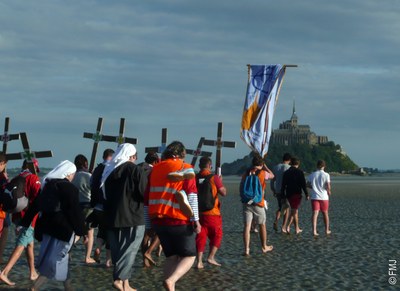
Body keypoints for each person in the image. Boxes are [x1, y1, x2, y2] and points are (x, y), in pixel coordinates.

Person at [145, 141, 201, 291]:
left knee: (171, 257)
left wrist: (149, 225)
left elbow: (147, 200)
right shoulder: (186, 168)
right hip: (179, 219)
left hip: (158, 220)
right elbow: (192, 196)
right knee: (189, 256)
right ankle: (172, 280)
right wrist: (195, 219)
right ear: (181, 154)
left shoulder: (155, 170)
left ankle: (170, 287)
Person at [31, 160, 87, 291]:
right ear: (68, 174)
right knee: (55, 260)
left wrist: (25, 223)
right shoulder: (69, 188)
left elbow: (36, 206)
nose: (73, 176)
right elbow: (74, 212)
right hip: (62, 231)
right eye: (73, 174)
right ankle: (34, 288)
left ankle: (68, 287)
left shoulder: (47, 185)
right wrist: (82, 232)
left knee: (62, 258)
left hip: (47, 229)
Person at [101, 143, 147, 291]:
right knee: (129, 250)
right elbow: (144, 193)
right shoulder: (135, 170)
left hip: (112, 217)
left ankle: (125, 284)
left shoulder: (109, 170)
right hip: (133, 216)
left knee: (118, 251)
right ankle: (119, 279)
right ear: (132, 156)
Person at [0, 159, 41, 286]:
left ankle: (33, 272)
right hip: (28, 218)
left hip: (17, 216)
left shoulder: (17, 177)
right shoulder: (33, 178)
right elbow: (38, 199)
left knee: (29, 243)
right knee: (21, 244)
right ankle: (5, 272)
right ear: (34, 167)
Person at [195, 156, 226, 269]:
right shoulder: (214, 177)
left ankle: (199, 262)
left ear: (199, 166)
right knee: (217, 234)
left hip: (198, 212)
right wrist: (220, 182)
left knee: (201, 236)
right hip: (212, 212)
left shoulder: (195, 177)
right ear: (210, 166)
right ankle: (211, 257)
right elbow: (223, 192)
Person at [240, 154, 274, 256]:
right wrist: (265, 166)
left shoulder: (246, 172)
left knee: (247, 226)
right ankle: (264, 246)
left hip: (247, 201)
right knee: (262, 225)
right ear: (261, 164)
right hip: (258, 202)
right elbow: (272, 175)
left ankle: (246, 249)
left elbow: (242, 184)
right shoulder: (263, 173)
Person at [88, 148, 114, 267]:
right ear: (112, 156)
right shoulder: (112, 168)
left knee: (101, 230)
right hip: (108, 206)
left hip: (97, 207)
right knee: (110, 232)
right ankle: (108, 260)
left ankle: (98, 247)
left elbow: (91, 183)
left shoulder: (97, 169)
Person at [139, 151, 162, 268]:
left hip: (138, 204)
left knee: (145, 234)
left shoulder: (138, 168)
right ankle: (149, 252)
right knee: (159, 231)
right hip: (152, 203)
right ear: (155, 161)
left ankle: (145, 260)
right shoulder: (154, 171)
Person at [71, 154, 95, 264]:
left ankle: (68, 250)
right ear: (85, 164)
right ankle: (87, 257)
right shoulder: (89, 176)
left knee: (77, 230)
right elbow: (94, 190)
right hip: (88, 205)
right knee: (89, 231)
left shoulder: (73, 176)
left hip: (76, 206)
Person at [281, 157, 309, 234]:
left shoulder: (286, 172)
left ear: (291, 163)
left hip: (288, 193)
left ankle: (296, 228)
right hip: (297, 193)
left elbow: (283, 185)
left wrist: (283, 195)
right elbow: (303, 184)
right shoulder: (300, 172)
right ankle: (289, 226)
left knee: (294, 210)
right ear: (298, 164)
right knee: (294, 210)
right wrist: (306, 194)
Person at [307, 160, 332, 236]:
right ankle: (326, 230)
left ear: (317, 166)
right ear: (324, 166)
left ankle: (314, 230)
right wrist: (328, 191)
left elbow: (307, 184)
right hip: (324, 197)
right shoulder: (326, 175)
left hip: (315, 196)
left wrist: (313, 187)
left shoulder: (312, 174)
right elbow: (328, 185)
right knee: (325, 213)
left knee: (315, 213)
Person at [271, 153, 292, 233]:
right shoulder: (289, 168)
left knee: (281, 207)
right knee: (287, 208)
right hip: (286, 191)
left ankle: (276, 220)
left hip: (278, 190)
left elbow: (272, 180)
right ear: (289, 160)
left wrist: (273, 189)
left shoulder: (276, 167)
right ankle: (283, 227)